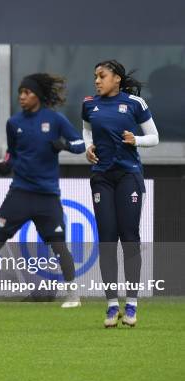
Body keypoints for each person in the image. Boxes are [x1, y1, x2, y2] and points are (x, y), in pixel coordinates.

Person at [0, 73, 85, 307]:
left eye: (27, 93)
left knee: (58, 245)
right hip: (19, 193)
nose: (22, 97)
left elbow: (81, 145)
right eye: (20, 92)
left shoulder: (55, 120)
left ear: (37, 96)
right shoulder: (14, 123)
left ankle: (73, 295)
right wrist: (7, 165)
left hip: (47, 196)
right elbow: (12, 153)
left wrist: (64, 145)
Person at [82, 60, 159, 328]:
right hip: (101, 177)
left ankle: (132, 305)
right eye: (95, 77)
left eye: (102, 76)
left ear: (116, 78)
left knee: (129, 237)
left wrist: (135, 140)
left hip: (128, 176)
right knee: (106, 240)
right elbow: (87, 131)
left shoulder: (135, 104)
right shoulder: (89, 104)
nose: (97, 81)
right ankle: (111, 305)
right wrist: (88, 148)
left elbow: (154, 137)